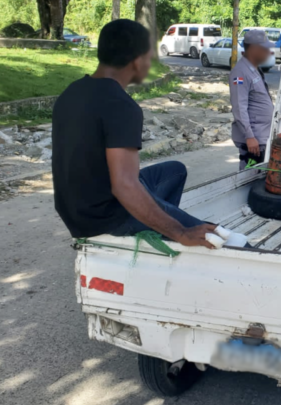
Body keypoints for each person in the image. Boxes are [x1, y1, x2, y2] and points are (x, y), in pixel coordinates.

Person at [52, 19, 215, 248]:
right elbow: (124, 186)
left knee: (174, 171)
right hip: (105, 218)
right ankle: (159, 229)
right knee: (212, 237)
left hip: (76, 210)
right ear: (138, 62)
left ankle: (154, 228)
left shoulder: (72, 92)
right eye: (150, 56)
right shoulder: (121, 105)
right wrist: (180, 232)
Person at [229, 29, 275, 170]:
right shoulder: (240, 72)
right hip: (253, 139)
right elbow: (239, 106)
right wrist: (249, 136)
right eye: (265, 49)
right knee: (249, 180)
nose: (269, 52)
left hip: (262, 136)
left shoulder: (253, 69)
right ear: (254, 49)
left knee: (260, 179)